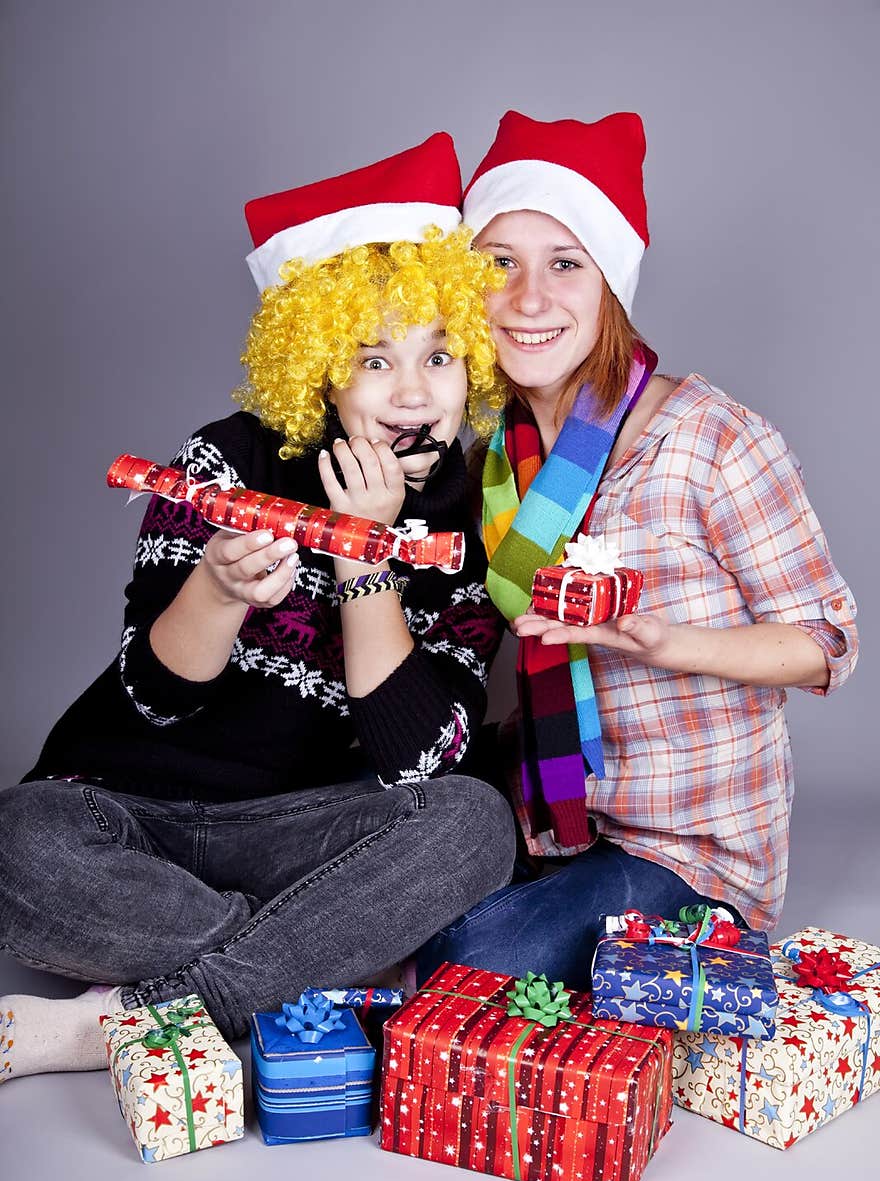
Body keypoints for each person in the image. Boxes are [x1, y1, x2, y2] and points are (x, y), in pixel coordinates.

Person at [0, 132, 516, 1083]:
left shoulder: (485, 518)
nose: (413, 391)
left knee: (474, 824)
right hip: (129, 811)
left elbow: (416, 763)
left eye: (440, 357)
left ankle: (133, 1017)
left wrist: (366, 558)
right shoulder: (227, 459)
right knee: (19, 842)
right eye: (374, 360)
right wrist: (218, 585)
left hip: (305, 832)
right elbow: (154, 696)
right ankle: (316, 966)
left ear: (473, 367)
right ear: (317, 368)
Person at [416, 110, 858, 989]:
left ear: (610, 284)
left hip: (693, 857)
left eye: (565, 265)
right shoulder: (493, 460)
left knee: (462, 970)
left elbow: (828, 643)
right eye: (500, 264)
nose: (529, 300)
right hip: (547, 820)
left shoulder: (714, 441)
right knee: (371, 889)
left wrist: (669, 643)